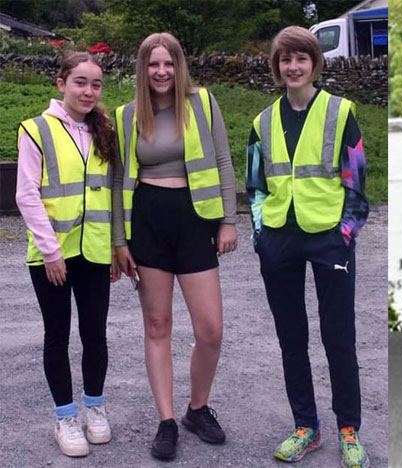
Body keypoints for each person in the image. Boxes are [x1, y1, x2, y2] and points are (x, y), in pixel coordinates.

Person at [246, 25, 371, 467]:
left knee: (339, 337)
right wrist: (262, 235)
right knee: (291, 339)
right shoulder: (262, 121)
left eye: (301, 58)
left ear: (315, 63)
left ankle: (349, 430)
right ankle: (306, 427)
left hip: (329, 241)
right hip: (280, 240)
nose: (292, 66)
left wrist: (346, 234)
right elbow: (255, 187)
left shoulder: (340, 113)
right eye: (285, 60)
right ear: (277, 67)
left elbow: (357, 183)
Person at [113, 32, 238, 460]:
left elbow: (222, 159)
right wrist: (119, 241)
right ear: (142, 69)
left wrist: (227, 218)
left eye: (168, 64)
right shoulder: (127, 114)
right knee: (157, 325)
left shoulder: (202, 104)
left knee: (211, 329)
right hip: (147, 221)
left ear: (179, 65)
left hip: (194, 219)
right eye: (153, 65)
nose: (161, 72)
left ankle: (197, 408)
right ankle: (166, 420)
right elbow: (117, 182)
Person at [15, 51, 121, 458]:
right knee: (57, 335)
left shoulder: (104, 130)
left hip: (95, 252)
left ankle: (94, 407)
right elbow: (27, 194)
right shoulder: (36, 129)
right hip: (52, 256)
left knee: (95, 334)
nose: (88, 91)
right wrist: (50, 251)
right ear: (61, 83)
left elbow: (111, 193)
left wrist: (115, 247)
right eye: (80, 82)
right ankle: (65, 416)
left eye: (95, 84)